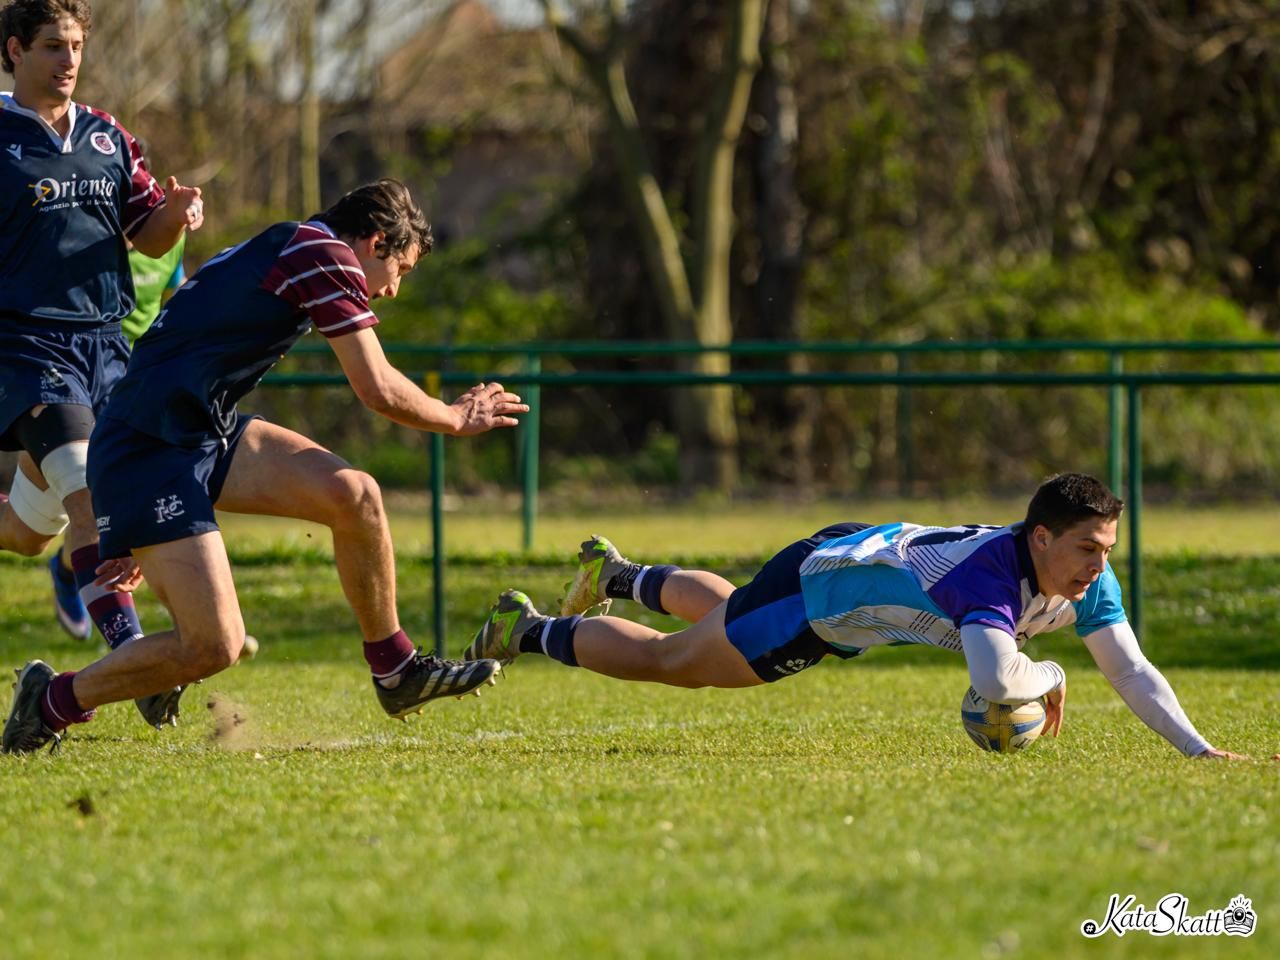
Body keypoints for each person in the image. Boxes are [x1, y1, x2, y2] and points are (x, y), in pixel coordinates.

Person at [3, 178, 524, 754]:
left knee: (356, 495)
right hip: (147, 448)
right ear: (375, 242)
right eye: (400, 269)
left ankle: (397, 672)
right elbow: (375, 388)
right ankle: (51, 700)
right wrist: (454, 418)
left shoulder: (298, 246)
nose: (394, 290)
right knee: (213, 646)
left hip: (200, 430)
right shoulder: (321, 254)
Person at [464, 473, 1243, 760]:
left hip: (849, 565)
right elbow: (997, 679)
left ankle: (620, 576)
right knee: (677, 663)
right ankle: (526, 628)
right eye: (1086, 549)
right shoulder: (991, 580)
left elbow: (1133, 669)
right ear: (1040, 538)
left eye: (1106, 548)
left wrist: (1200, 752)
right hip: (824, 599)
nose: (1099, 565)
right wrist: (1050, 672)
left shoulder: (1078, 578)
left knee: (732, 610)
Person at [0, 0, 204, 701]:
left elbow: (145, 232)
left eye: (77, 46)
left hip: (107, 348)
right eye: (53, 46)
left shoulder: (107, 134)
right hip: (24, 348)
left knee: (30, 533)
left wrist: (173, 219)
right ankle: (137, 662)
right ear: (15, 51)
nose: (69, 61)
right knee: (94, 494)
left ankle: (121, 639)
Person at [42, 214, 188, 641]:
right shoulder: (69, 238)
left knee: (106, 507)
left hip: (135, 383)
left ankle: (75, 573)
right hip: (70, 375)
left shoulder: (170, 240)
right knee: (43, 523)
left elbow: (175, 296)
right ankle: (135, 644)